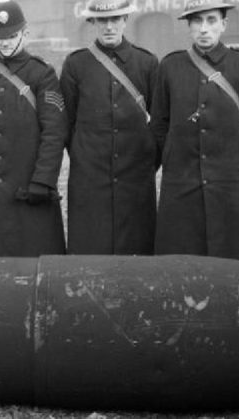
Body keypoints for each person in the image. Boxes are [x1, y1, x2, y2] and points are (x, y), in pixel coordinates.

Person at [150, 0, 239, 264]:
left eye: (210, 20)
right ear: (188, 26)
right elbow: (159, 124)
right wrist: (174, 157)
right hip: (181, 181)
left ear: (223, 24)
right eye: (196, 21)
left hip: (231, 182)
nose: (204, 29)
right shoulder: (170, 67)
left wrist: (238, 156)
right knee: (181, 259)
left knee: (235, 256)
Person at [0, 0, 66, 257]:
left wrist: (43, 180)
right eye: (0, 37)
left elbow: (54, 132)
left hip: (31, 188)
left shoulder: (43, 75)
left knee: (35, 261)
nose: (6, 43)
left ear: (25, 34)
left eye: (12, 36)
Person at [60, 0, 158, 255]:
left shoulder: (147, 64)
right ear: (92, 22)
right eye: (102, 20)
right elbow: (67, 123)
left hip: (136, 176)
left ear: (126, 20)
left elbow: (160, 123)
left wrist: (146, 162)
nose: (109, 27)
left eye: (115, 19)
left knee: (137, 251)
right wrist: (86, 158)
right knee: (91, 250)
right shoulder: (75, 65)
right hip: (90, 178)